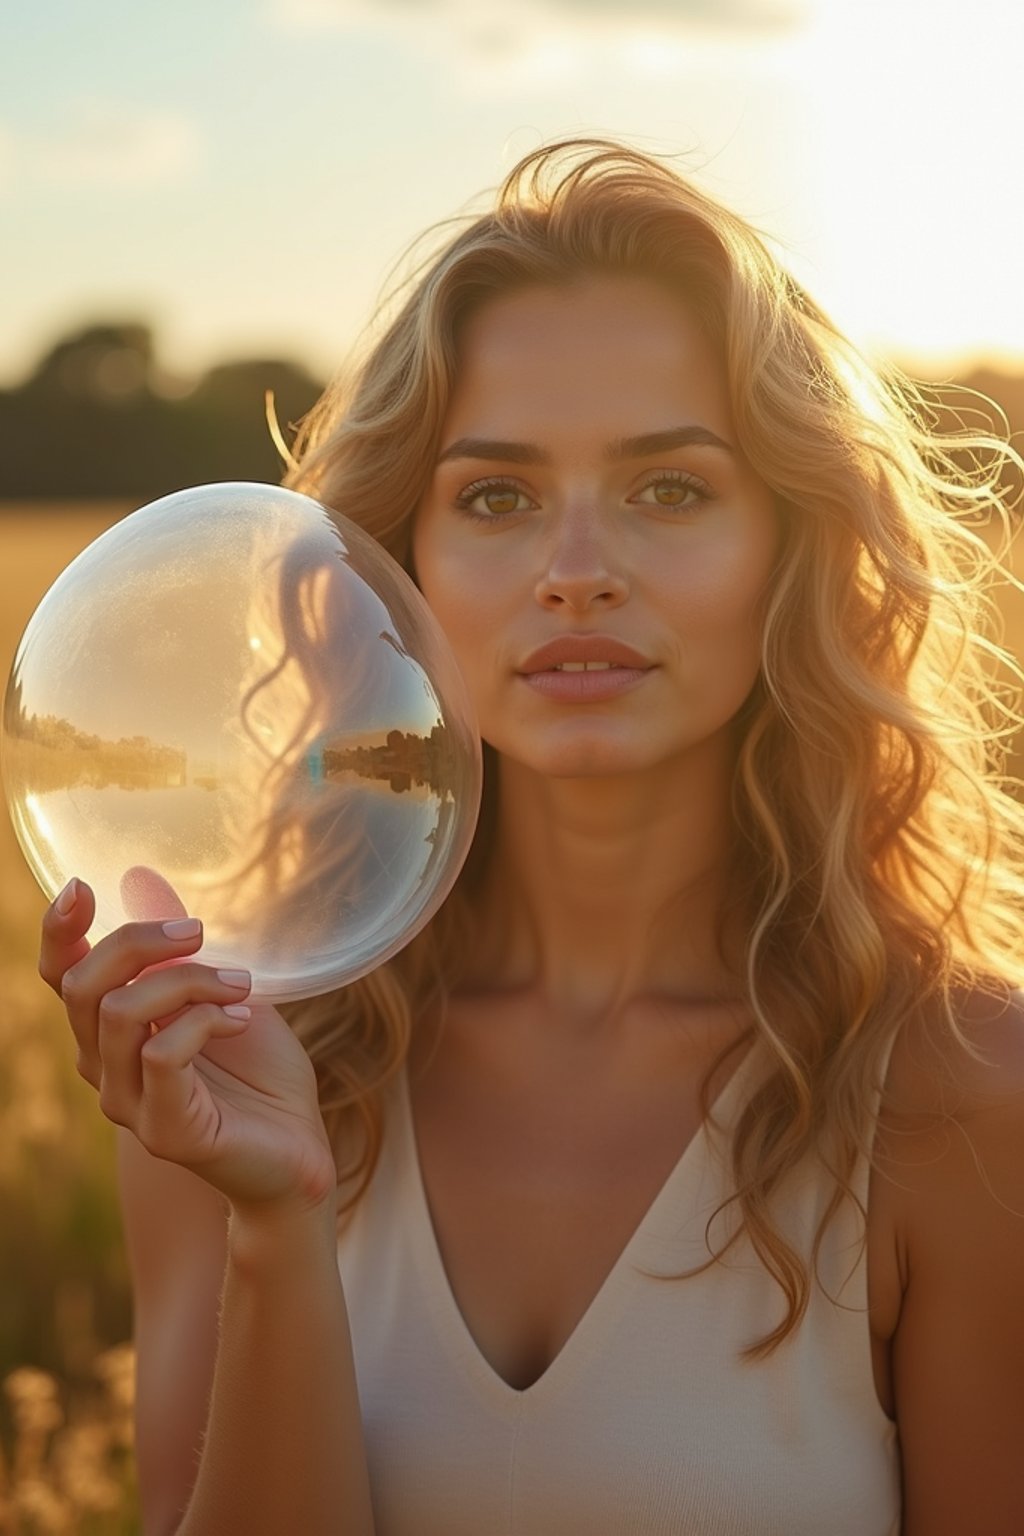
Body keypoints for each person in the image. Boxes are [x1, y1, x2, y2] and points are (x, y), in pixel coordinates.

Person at [37, 139, 1024, 1536]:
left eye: (670, 489)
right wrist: (279, 1221)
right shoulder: (237, 1064)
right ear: (392, 567)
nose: (576, 574)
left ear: (789, 545)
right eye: (496, 496)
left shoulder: (963, 1094)